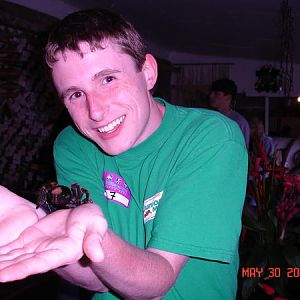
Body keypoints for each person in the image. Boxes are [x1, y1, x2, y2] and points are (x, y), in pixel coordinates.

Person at [0, 9, 248, 300]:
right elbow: (100, 279)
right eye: (76, 94)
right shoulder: (72, 145)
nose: (95, 111)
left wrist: (96, 240)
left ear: (148, 73)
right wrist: (41, 233)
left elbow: (158, 280)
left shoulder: (211, 136)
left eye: (107, 80)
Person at [209, 78, 250, 148]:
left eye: (216, 93)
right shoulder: (210, 117)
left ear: (228, 97)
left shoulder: (239, 121)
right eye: (211, 92)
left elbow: (243, 149)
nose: (211, 96)